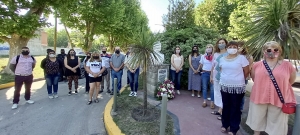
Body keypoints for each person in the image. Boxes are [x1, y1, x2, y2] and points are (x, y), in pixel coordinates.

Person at [246, 41, 297, 135]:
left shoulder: (287, 65)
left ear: (280, 51)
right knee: (257, 118)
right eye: (269, 50)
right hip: (259, 96)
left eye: (275, 49)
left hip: (279, 98)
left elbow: (291, 81)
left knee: (277, 123)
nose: (272, 51)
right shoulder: (257, 65)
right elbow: (254, 79)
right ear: (264, 51)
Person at [219, 41, 249, 135]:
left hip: (237, 87)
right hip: (224, 86)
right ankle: (224, 124)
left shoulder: (242, 58)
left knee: (235, 107)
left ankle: (234, 128)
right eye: (230, 46)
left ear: (237, 48)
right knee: (226, 105)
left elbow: (246, 71)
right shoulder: (222, 59)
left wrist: (238, 80)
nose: (232, 48)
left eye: (234, 47)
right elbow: (221, 70)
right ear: (227, 48)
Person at [210, 38, 228, 120]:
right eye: (219, 43)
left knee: (223, 93)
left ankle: (223, 111)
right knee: (217, 92)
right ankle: (219, 109)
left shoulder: (228, 54)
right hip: (216, 76)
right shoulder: (216, 54)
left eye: (223, 42)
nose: (221, 44)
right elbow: (213, 66)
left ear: (226, 43)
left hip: (225, 77)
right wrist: (211, 76)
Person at [237, 41, 254, 111]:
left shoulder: (248, 57)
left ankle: (240, 109)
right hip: (234, 77)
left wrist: (243, 78)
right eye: (237, 46)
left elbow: (249, 68)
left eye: (240, 46)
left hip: (243, 78)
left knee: (241, 94)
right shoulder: (234, 55)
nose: (238, 48)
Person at [200, 44, 214, 108]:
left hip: (212, 74)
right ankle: (204, 101)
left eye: (210, 47)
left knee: (212, 89)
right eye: (207, 47)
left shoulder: (214, 56)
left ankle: (212, 102)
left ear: (212, 49)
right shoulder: (203, 56)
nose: (208, 48)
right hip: (205, 73)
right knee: (204, 88)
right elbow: (201, 64)